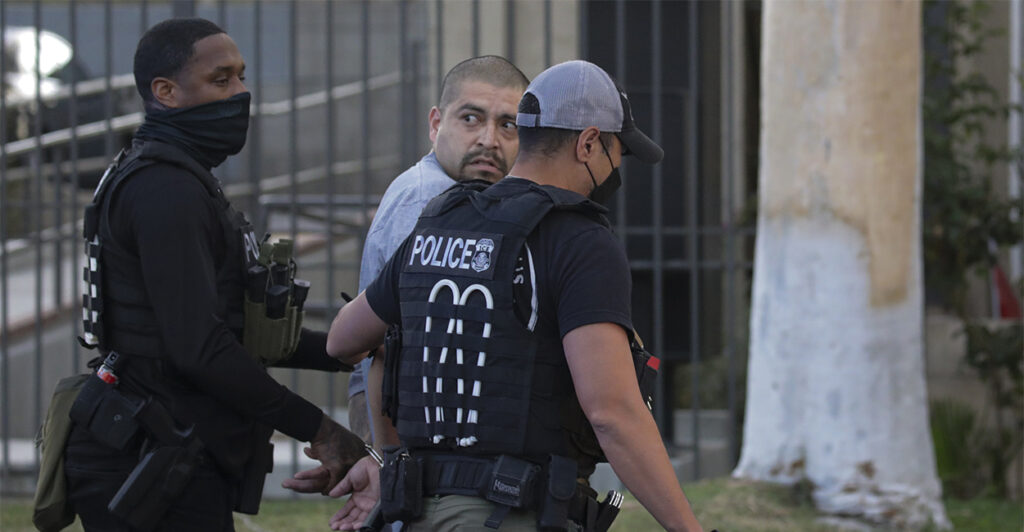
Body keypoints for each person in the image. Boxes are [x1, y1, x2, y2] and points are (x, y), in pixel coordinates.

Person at [321, 60, 706, 532]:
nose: (615, 169)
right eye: (616, 153)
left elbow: (344, 341)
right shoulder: (581, 241)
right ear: (588, 143)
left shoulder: (439, 220)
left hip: (421, 512)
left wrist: (393, 453)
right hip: (512, 511)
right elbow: (612, 414)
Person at [64, 18, 367, 531]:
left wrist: (354, 347)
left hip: (167, 450)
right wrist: (318, 428)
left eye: (242, 77)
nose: (241, 94)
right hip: (144, 461)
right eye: (221, 79)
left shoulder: (178, 177)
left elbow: (236, 329)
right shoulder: (164, 189)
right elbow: (199, 348)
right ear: (166, 92)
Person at [344, 56, 528, 445]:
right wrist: (385, 461)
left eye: (507, 125)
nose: (488, 140)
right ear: (435, 124)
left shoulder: (465, 201)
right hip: (415, 435)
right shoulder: (429, 201)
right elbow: (394, 347)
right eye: (471, 119)